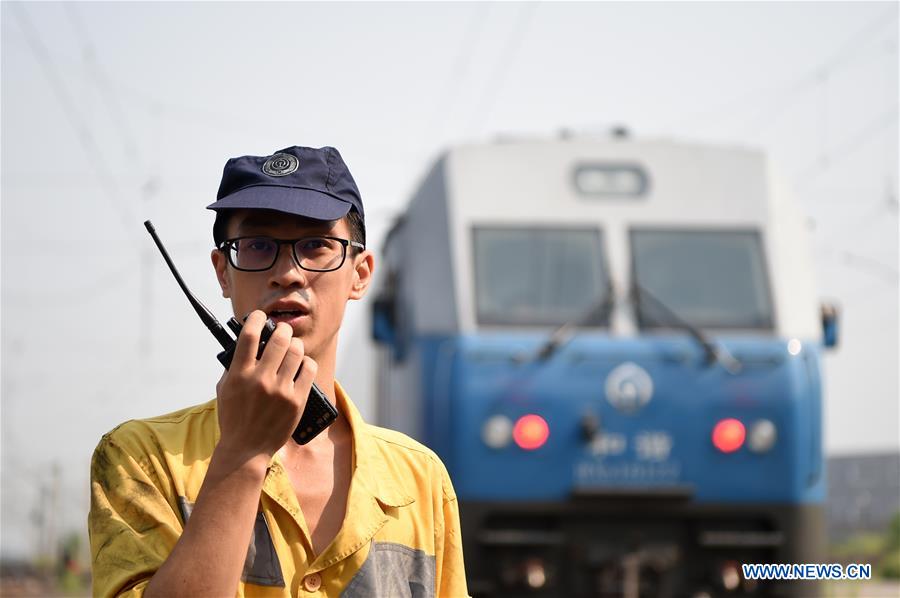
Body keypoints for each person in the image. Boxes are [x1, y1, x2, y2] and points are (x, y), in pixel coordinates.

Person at [88, 146, 468, 597]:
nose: (288, 273)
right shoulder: (140, 458)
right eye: (257, 246)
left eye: (316, 245)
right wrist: (242, 455)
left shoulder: (421, 480)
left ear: (360, 274)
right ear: (222, 272)